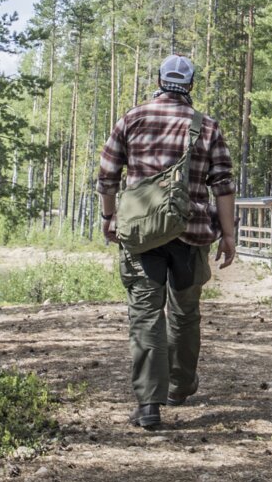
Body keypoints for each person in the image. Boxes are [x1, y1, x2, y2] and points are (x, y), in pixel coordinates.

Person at [96, 54, 236, 431]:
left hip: (141, 237)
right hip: (191, 237)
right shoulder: (207, 127)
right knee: (185, 312)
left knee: (145, 314)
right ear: (190, 85)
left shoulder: (132, 118)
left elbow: (107, 175)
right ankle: (179, 386)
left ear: (159, 79)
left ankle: (148, 406)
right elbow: (222, 186)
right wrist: (229, 235)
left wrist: (110, 217)